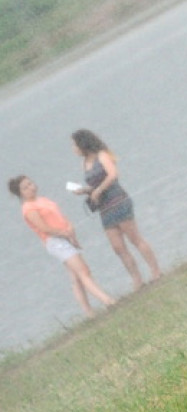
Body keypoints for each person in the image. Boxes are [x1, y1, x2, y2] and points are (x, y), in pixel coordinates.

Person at [9, 175, 116, 316]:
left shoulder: (43, 200)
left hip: (65, 236)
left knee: (76, 277)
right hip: (55, 241)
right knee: (84, 271)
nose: (31, 187)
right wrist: (64, 234)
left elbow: (61, 217)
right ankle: (107, 301)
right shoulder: (29, 208)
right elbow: (44, 228)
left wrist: (71, 232)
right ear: (20, 193)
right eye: (26, 187)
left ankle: (89, 312)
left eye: (30, 183)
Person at [71, 129, 161, 290]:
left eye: (75, 145)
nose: (74, 149)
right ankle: (137, 280)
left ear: (82, 144)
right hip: (104, 208)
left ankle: (155, 271)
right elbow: (94, 185)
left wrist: (98, 190)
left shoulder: (102, 156)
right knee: (118, 247)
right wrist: (86, 191)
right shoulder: (84, 163)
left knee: (135, 239)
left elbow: (113, 175)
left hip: (118, 200)